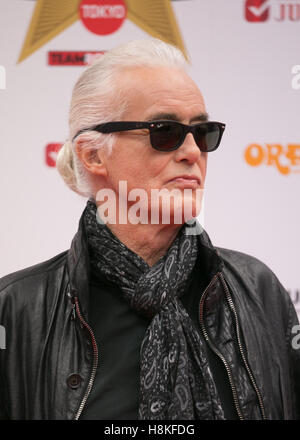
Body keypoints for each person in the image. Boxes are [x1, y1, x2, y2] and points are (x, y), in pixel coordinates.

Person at [0, 39, 299, 421]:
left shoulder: (258, 291)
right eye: (165, 131)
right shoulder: (16, 310)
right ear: (93, 154)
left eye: (203, 132)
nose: (193, 151)